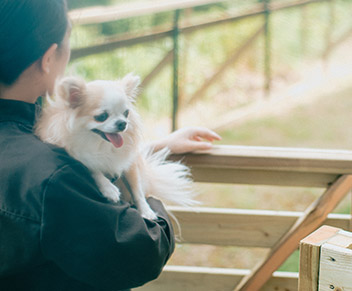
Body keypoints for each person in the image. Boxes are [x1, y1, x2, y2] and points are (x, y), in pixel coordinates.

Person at [0, 0, 221, 290]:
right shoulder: (54, 178)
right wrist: (145, 192)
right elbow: (142, 252)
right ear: (49, 58)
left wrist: (149, 149)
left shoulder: (35, 147)